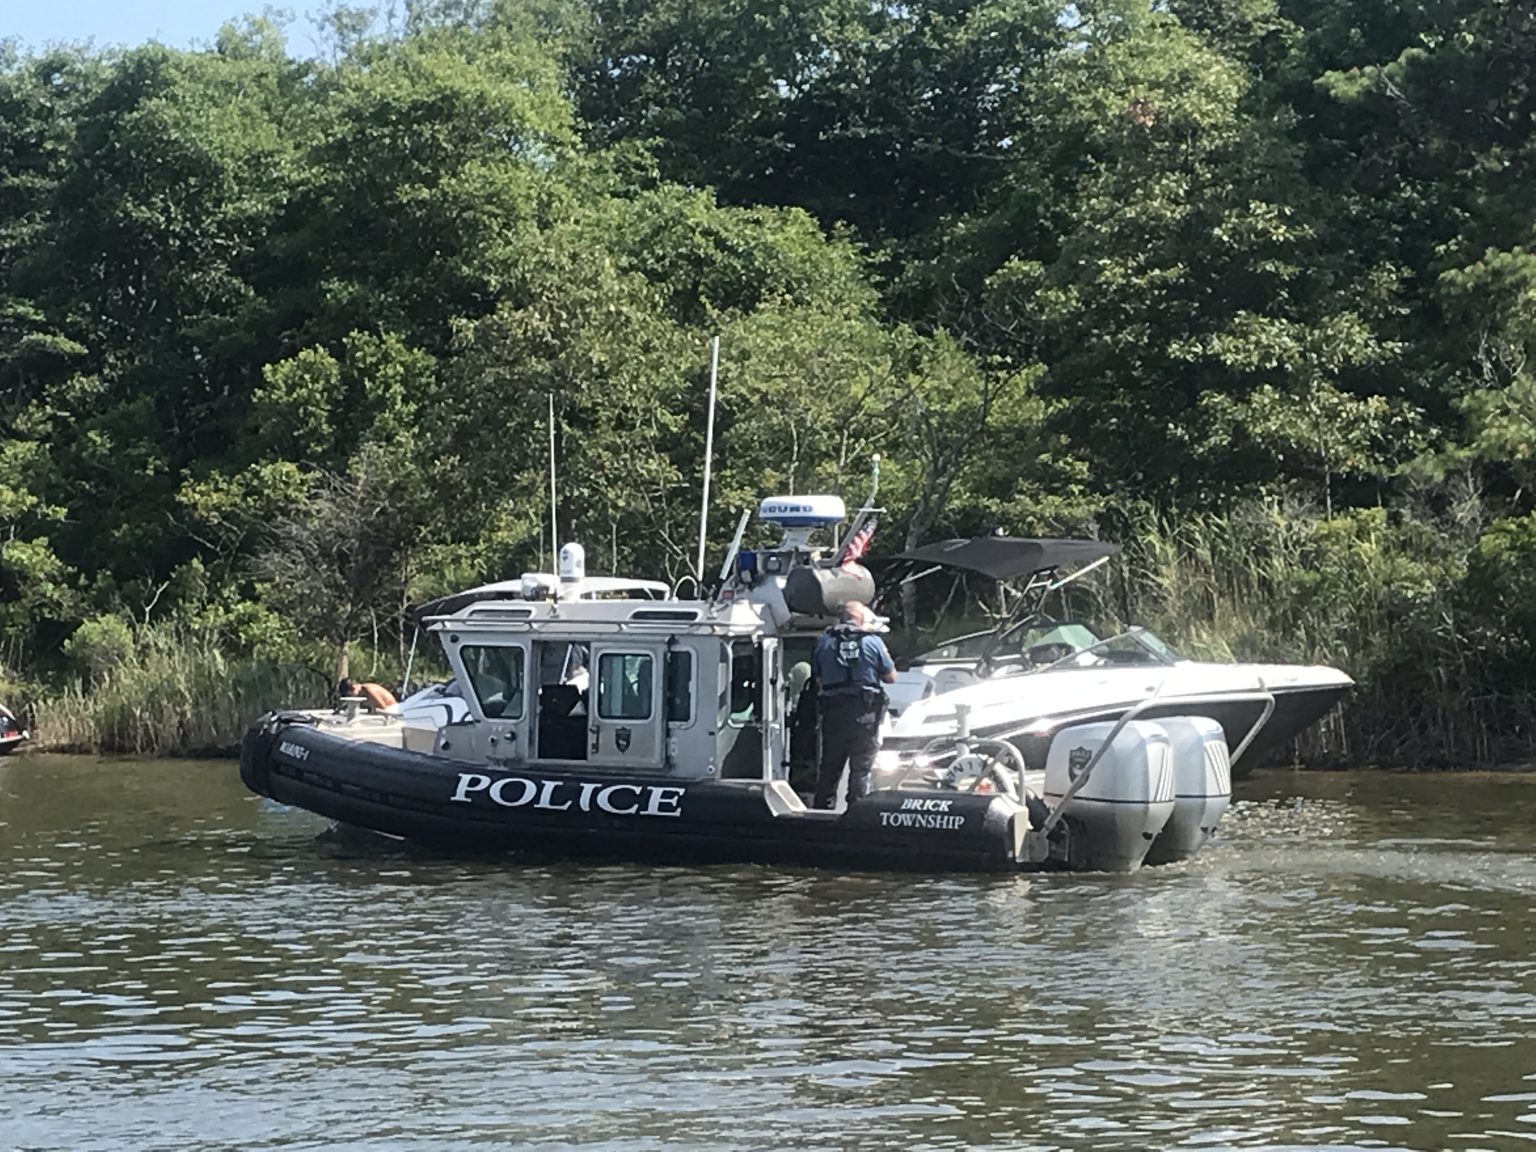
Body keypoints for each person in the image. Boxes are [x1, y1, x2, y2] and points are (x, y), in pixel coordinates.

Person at [810, 600, 896, 810]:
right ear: (860, 618)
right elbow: (891, 677)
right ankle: (856, 814)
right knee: (861, 769)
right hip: (865, 714)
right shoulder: (872, 641)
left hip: (834, 714)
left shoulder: (823, 642)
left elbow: (818, 679)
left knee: (830, 767)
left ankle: (821, 813)